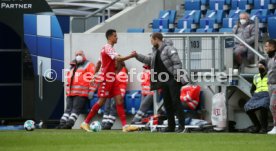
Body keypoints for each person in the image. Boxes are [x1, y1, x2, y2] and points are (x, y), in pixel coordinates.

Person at [80, 29, 136, 132]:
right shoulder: (108, 48)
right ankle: (85, 122)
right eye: (115, 36)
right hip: (106, 79)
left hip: (112, 79)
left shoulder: (107, 49)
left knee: (119, 100)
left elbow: (98, 63)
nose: (117, 37)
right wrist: (131, 56)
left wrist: (94, 75)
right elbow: (118, 59)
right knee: (101, 102)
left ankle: (125, 126)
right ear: (110, 37)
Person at [131, 33, 189, 132]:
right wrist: (137, 56)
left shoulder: (169, 48)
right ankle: (171, 127)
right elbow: (149, 60)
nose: (151, 42)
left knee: (176, 102)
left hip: (173, 79)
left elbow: (177, 63)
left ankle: (181, 126)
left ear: (156, 39)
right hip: (163, 81)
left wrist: (176, 77)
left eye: (151, 40)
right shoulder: (155, 51)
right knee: (167, 104)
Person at [56, 50, 96, 129]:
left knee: (75, 110)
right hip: (70, 93)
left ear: (83, 55)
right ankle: (62, 124)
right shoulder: (72, 66)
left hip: (81, 93)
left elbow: (94, 78)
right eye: (77, 54)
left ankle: (69, 124)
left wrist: (91, 91)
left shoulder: (89, 65)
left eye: (80, 54)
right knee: (67, 110)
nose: (78, 55)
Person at [244, 60, 270, 133]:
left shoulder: (270, 75)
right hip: (257, 95)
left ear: (266, 66)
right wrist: (254, 95)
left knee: (263, 106)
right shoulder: (255, 76)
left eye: (261, 65)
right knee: (247, 107)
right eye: (259, 66)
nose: (260, 67)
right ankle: (257, 126)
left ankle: (264, 128)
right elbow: (252, 89)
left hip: (267, 94)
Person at [101, 61, 128, 130]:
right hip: (112, 91)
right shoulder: (113, 71)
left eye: (116, 62)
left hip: (119, 92)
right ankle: (104, 121)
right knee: (107, 104)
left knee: (113, 105)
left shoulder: (123, 71)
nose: (114, 63)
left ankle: (109, 123)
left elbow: (115, 81)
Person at [264, 39, 276, 134]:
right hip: (270, 85)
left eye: (267, 46)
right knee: (272, 106)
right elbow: (263, 61)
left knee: (273, 106)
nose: (265, 48)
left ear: (272, 47)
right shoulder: (269, 58)